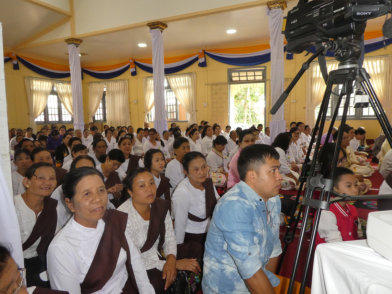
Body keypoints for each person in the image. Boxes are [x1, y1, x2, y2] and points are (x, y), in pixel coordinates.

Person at [47, 167, 155, 293]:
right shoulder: (61, 248)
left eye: (101, 190)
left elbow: (136, 263)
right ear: (70, 204)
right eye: (87, 194)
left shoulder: (113, 221)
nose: (98, 199)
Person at [202, 144, 282, 293]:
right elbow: (249, 268)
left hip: (257, 281)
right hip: (227, 288)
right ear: (252, 175)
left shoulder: (272, 199)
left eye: (278, 169)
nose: (279, 176)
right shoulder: (234, 206)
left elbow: (274, 248)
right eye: (273, 171)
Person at [117, 169, 177, 292]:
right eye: (142, 186)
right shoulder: (122, 217)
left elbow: (170, 237)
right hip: (132, 268)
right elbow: (133, 259)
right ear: (130, 192)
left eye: (151, 183)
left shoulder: (160, 206)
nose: (150, 189)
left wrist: (171, 260)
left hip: (159, 257)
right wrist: (167, 264)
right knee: (157, 281)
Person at [14, 163, 58, 287]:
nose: (47, 182)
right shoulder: (12, 206)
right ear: (26, 182)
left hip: (40, 262)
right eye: (41, 178)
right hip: (13, 265)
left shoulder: (51, 206)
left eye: (52, 178)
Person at [172, 152, 220, 259]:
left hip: (211, 232)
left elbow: (218, 203)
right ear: (186, 172)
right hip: (192, 238)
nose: (202, 172)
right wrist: (179, 249)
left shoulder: (208, 183)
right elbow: (179, 224)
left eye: (204, 167)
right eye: (196, 169)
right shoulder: (182, 193)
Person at [316, 167, 360, 245]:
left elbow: (357, 234)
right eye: (349, 186)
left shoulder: (352, 209)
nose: (355, 190)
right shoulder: (327, 213)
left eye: (356, 185)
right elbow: (335, 245)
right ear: (334, 188)